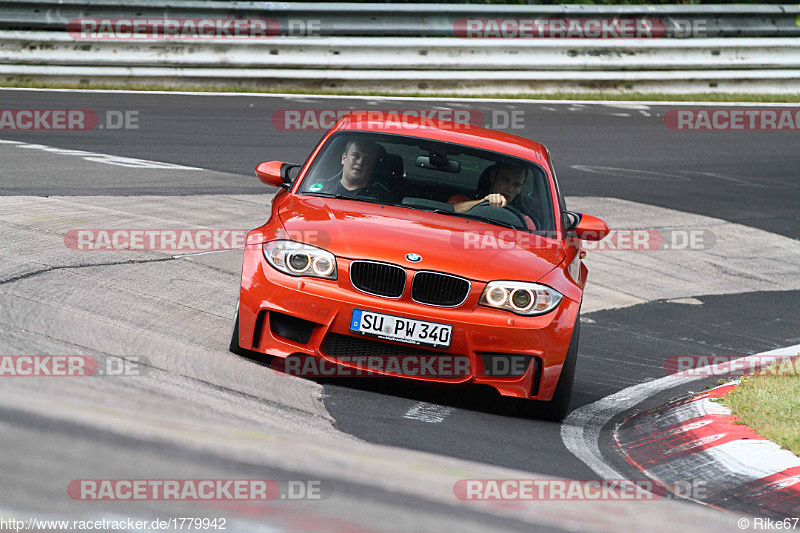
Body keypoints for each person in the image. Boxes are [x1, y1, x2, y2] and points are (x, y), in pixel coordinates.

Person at [449, 162, 537, 229]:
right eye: (506, 180)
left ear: (520, 189)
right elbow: (448, 212)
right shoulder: (461, 200)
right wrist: (483, 202)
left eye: (516, 185)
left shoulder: (525, 221)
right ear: (492, 177)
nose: (510, 189)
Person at [319, 139, 393, 202]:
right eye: (356, 156)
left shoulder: (381, 199)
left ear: (372, 167)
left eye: (367, 159)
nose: (360, 162)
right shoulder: (322, 190)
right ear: (344, 158)